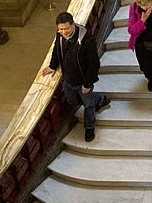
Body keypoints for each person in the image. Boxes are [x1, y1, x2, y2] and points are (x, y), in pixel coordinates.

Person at [41, 11, 110, 142]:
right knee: (73, 101)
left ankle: (89, 127)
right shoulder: (60, 34)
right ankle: (99, 99)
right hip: (68, 79)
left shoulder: (85, 39)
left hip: (83, 80)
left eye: (66, 28)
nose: (64, 32)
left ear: (72, 24)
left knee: (88, 105)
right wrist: (52, 66)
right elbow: (57, 49)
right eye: (60, 29)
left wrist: (87, 84)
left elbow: (93, 63)